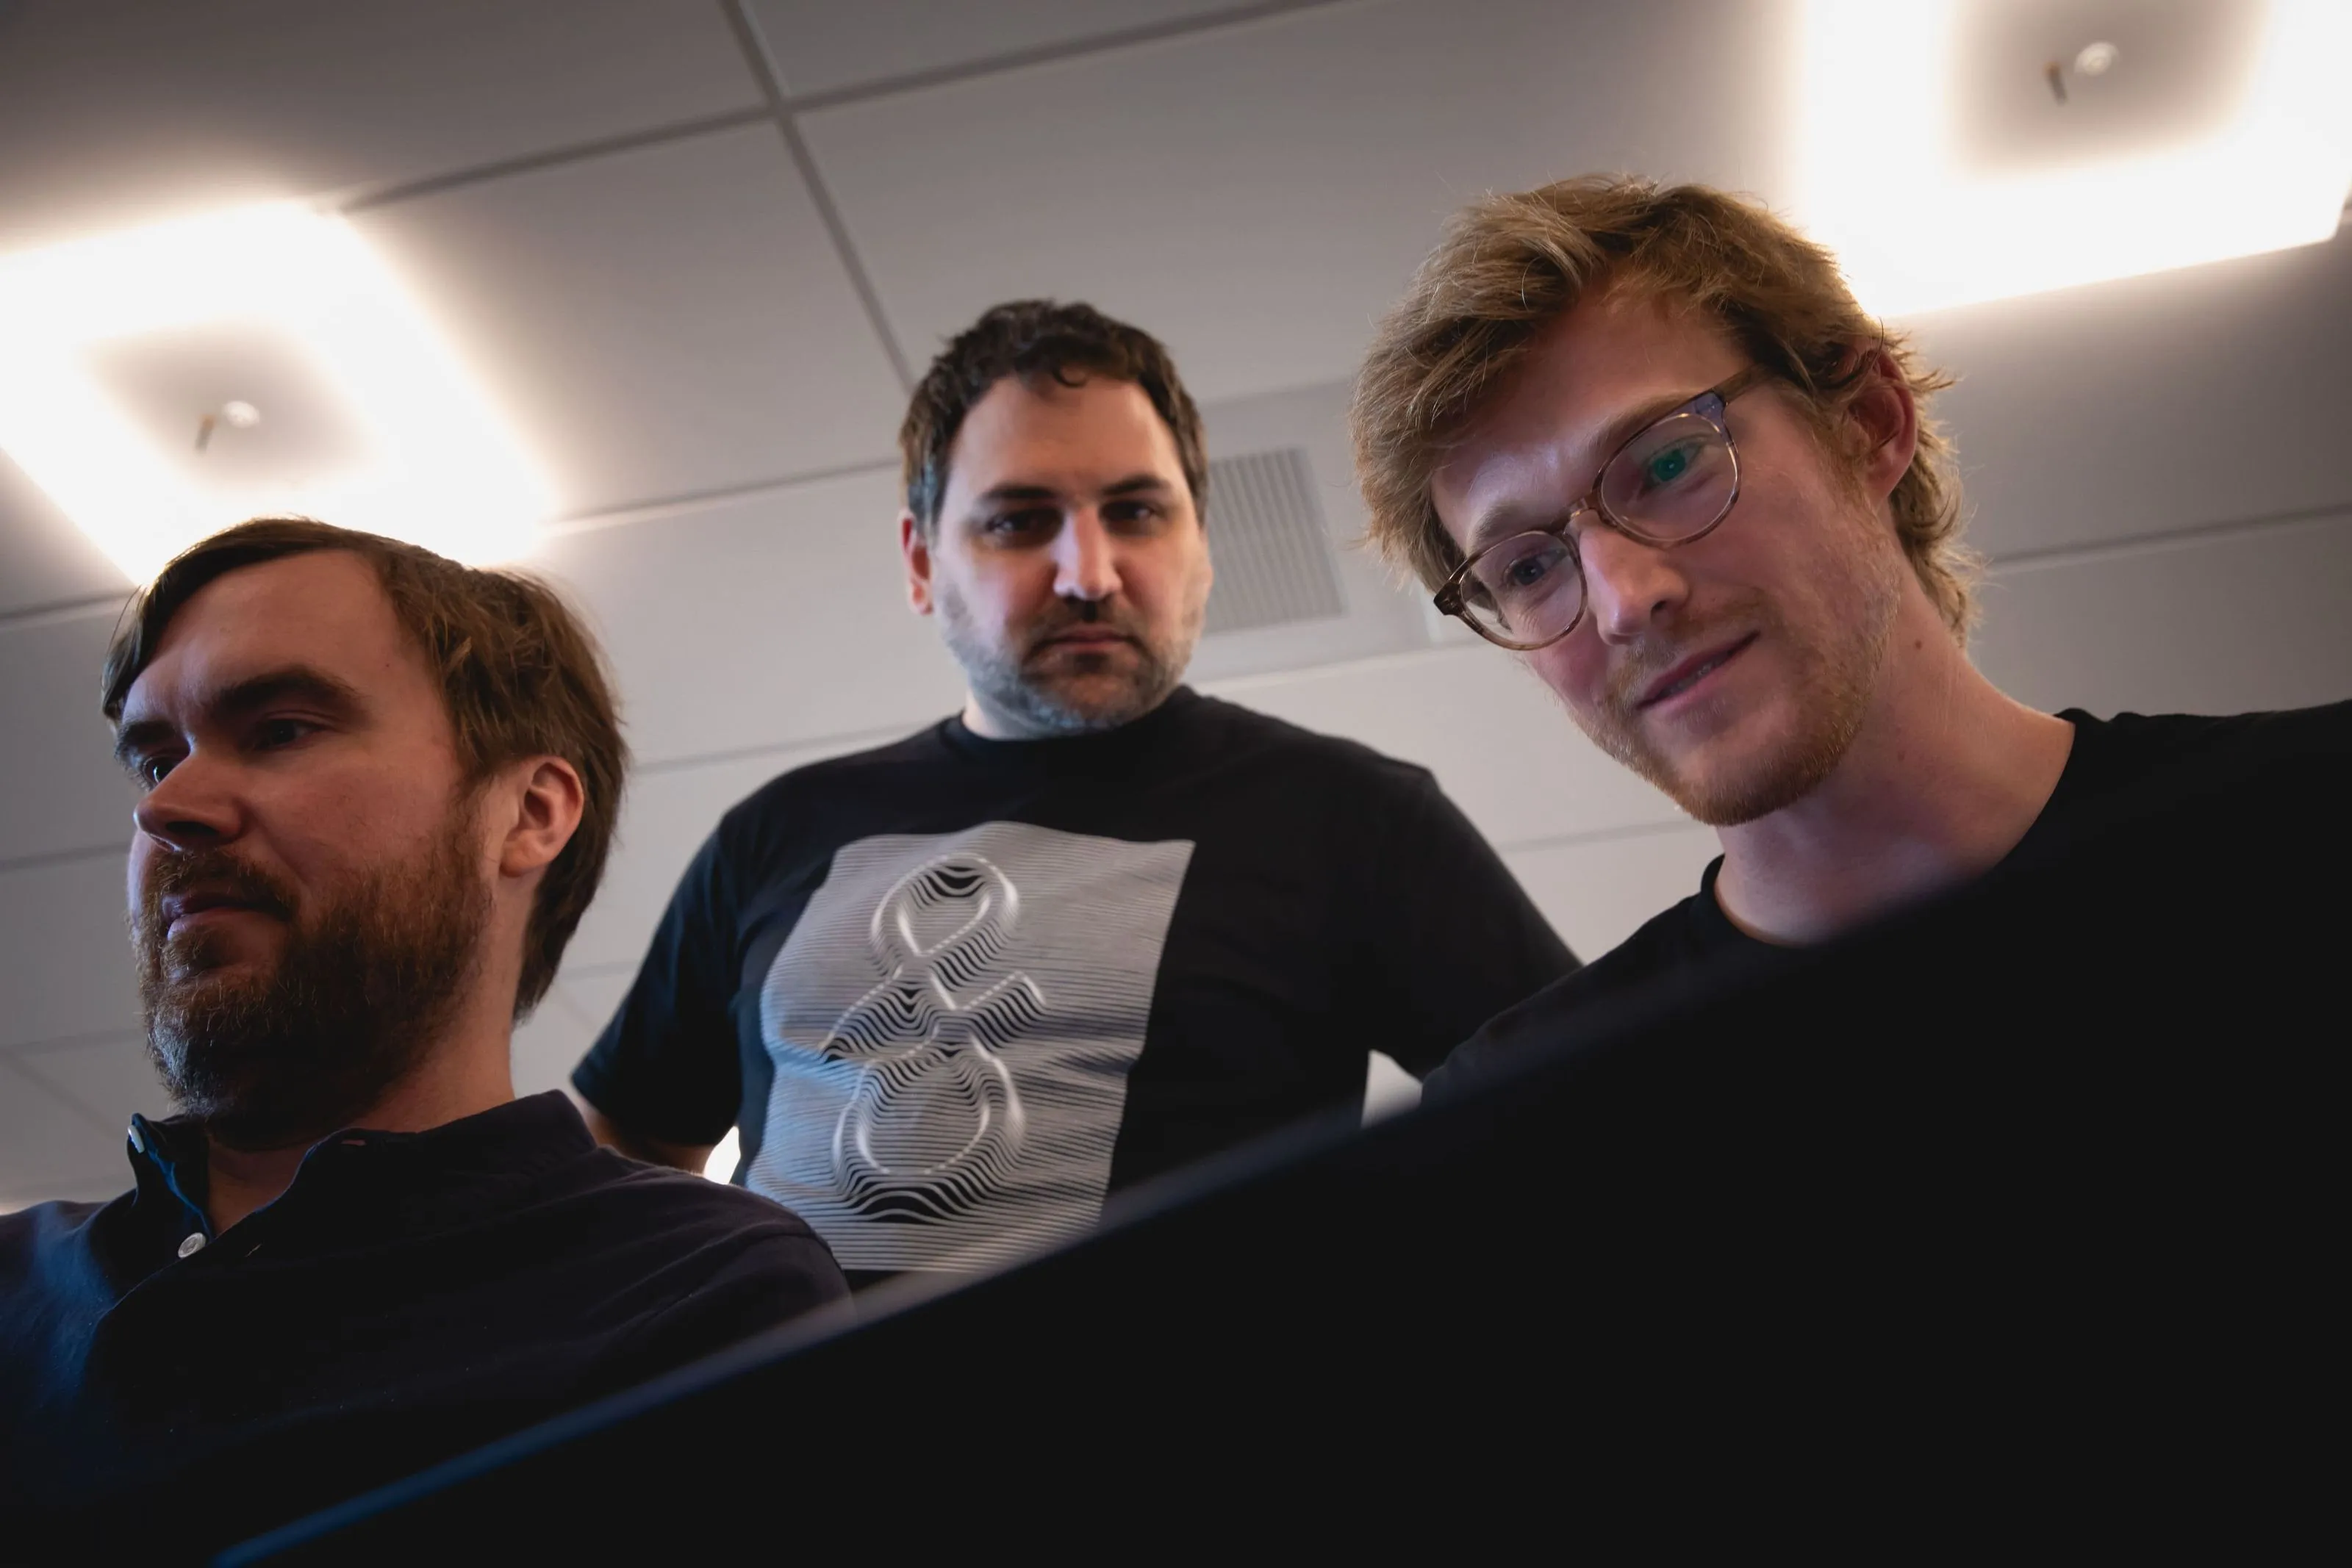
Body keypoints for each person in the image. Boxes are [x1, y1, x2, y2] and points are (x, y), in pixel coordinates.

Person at [574, 300, 1574, 1286]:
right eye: (1020, 521)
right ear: (923, 562)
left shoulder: (1353, 818)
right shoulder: (778, 831)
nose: (1089, 572)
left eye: (1136, 512)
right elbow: (620, 1140)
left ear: (1201, 547)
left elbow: (1595, 1108)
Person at [1347, 176, 2352, 1086]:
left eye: (1664, 465)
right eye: (1527, 566)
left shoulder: (2309, 816)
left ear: (1868, 422)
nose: (1621, 600)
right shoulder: (1527, 1114)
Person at [0, 519, 847, 1547]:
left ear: (529, 811)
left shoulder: (698, 1295)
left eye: (281, 727)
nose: (169, 807)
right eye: (153, 759)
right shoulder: (17, 1285)